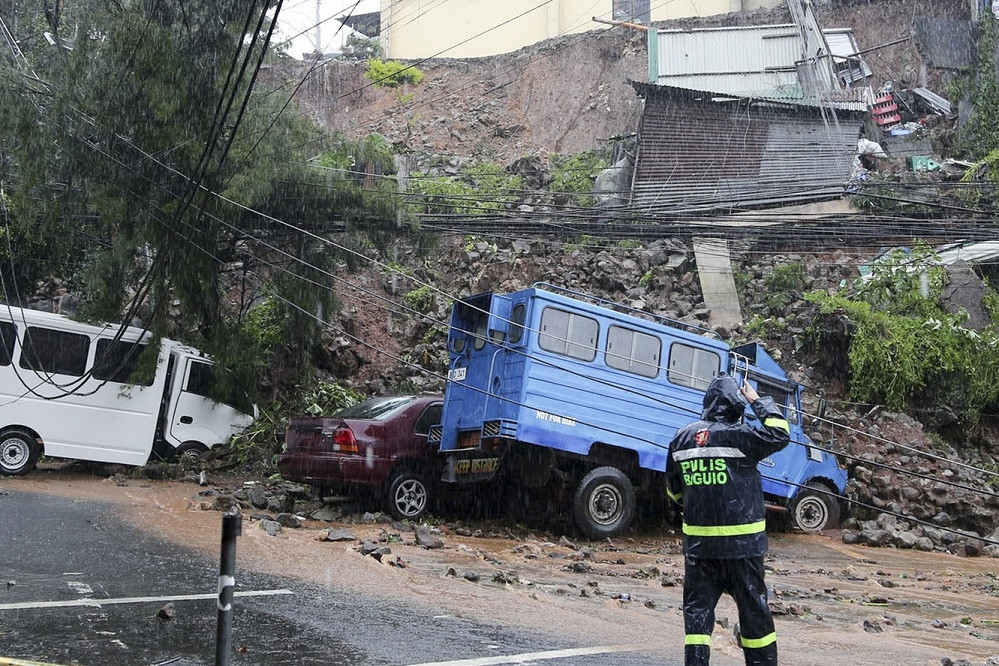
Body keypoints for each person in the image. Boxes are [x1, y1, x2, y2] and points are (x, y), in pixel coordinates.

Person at [665, 372, 791, 666]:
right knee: (755, 619)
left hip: (700, 552)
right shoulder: (741, 436)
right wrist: (759, 401)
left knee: (697, 623)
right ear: (737, 407)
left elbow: (674, 492)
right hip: (742, 551)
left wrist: (701, 503)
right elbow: (780, 432)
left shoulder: (681, 439)